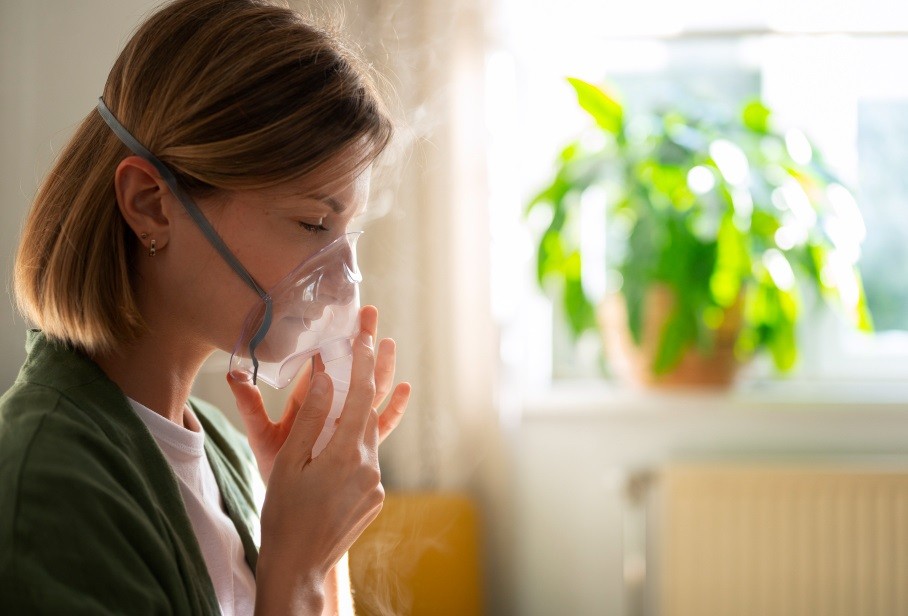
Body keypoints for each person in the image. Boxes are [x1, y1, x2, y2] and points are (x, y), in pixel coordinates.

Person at [0, 0, 411, 614]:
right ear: (150, 205)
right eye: (310, 222)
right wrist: (295, 564)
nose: (341, 280)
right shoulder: (49, 482)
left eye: (345, 232)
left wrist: (318, 534)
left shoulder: (224, 454)